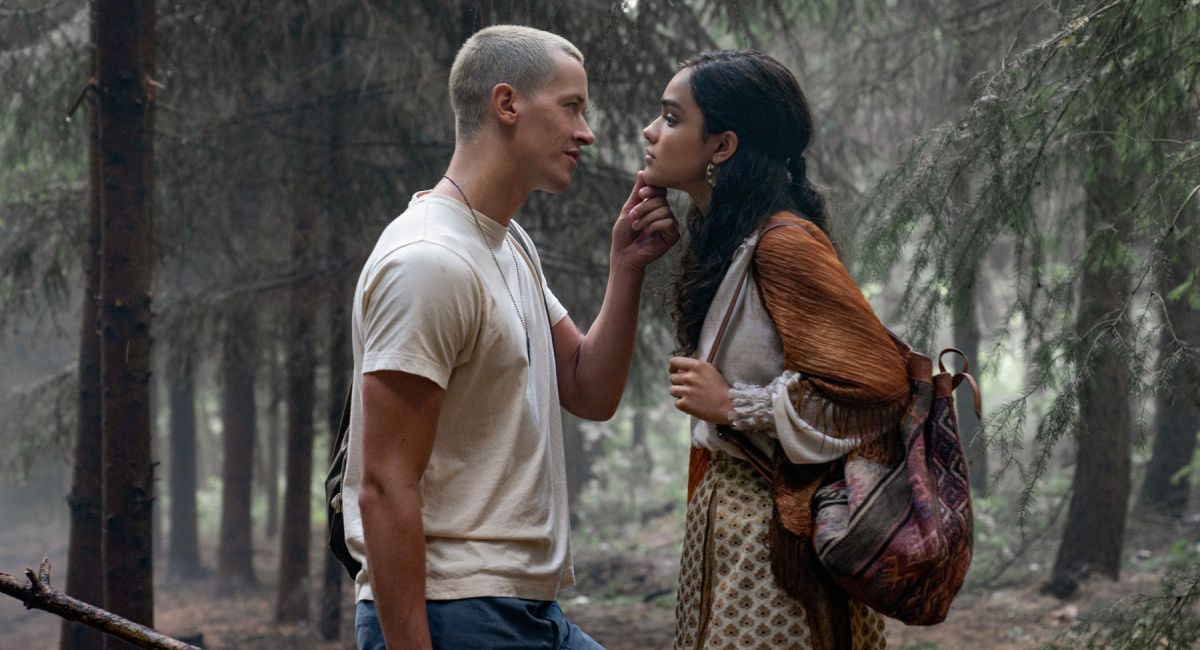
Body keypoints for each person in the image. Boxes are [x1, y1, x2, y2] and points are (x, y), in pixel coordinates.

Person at [342, 25, 679, 650]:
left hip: (525, 612)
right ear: (507, 104)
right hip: (452, 611)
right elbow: (384, 483)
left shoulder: (506, 241)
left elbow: (587, 388)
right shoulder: (428, 261)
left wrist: (626, 266)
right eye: (572, 106)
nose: (588, 131)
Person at [645, 50, 908, 649]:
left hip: (778, 547)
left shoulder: (784, 245)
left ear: (722, 146)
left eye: (671, 117)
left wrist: (736, 404)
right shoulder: (732, 240)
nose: (650, 130)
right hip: (731, 530)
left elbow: (879, 388)